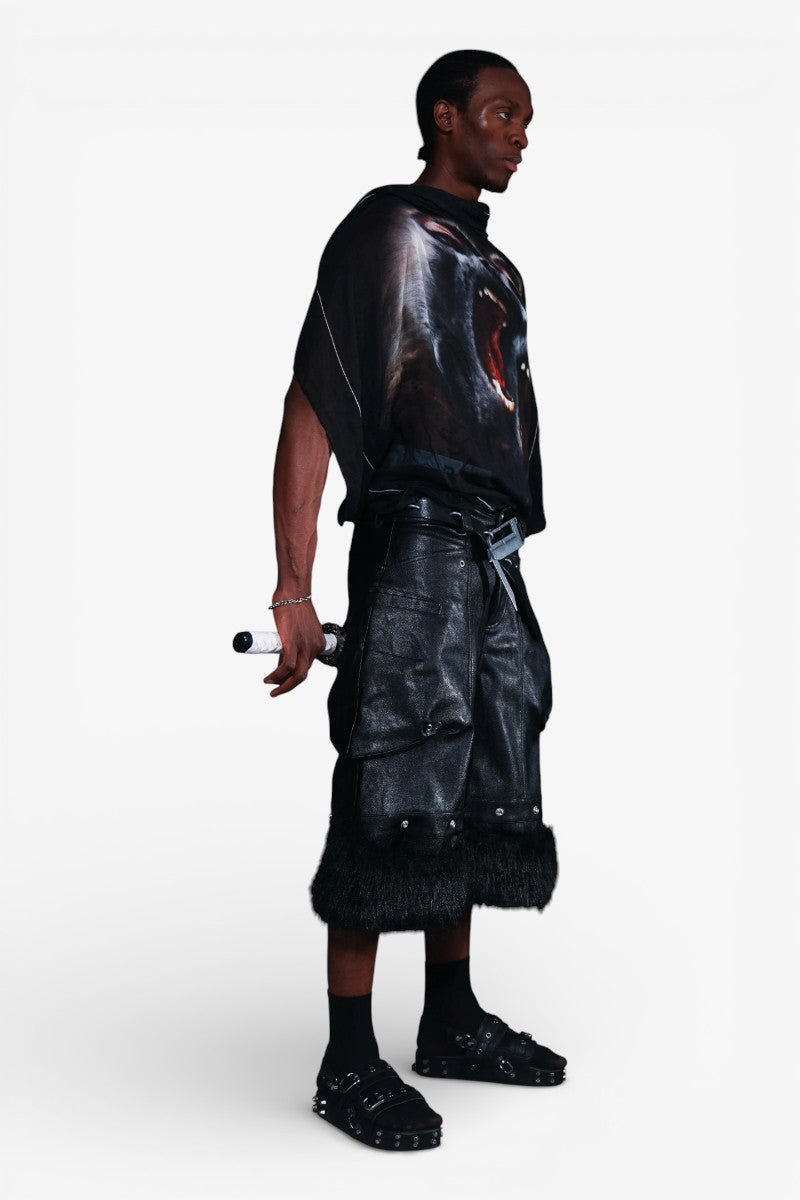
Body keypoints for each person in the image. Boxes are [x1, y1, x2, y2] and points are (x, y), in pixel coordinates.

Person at [265, 49, 567, 1152]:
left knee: (479, 773)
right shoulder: (388, 231)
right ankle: (347, 1061)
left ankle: (449, 1020)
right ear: (444, 117)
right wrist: (294, 586)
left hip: (489, 550)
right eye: (500, 113)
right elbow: (314, 402)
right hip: (413, 545)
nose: (519, 135)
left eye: (526, 119)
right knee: (396, 772)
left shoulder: (496, 265)